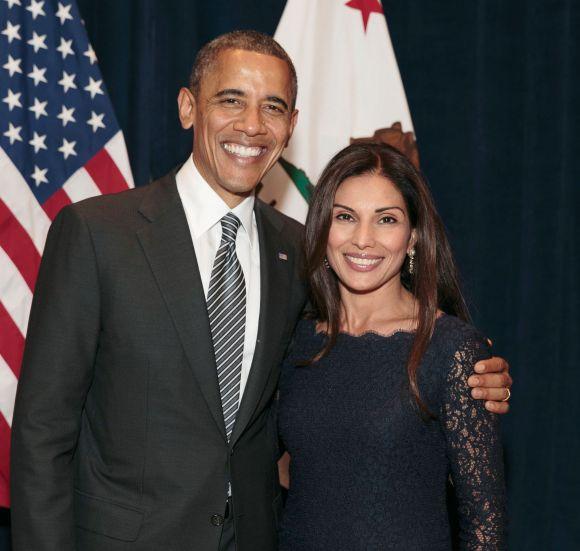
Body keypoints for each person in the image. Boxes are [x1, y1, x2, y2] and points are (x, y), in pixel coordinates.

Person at [10, 31, 510, 551]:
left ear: (291, 126)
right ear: (188, 107)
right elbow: (41, 435)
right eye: (231, 100)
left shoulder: (304, 254)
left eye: (272, 107)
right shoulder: (96, 235)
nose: (251, 125)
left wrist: (472, 376)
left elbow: (373, 370)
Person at [277, 142, 507, 550]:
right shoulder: (295, 340)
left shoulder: (451, 349)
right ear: (322, 229)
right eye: (345, 217)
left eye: (386, 219)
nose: (363, 239)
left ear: (414, 236)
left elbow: (484, 528)